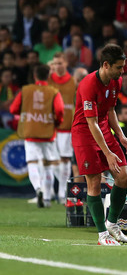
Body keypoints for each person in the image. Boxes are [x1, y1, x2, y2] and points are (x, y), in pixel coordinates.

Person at [71, 43, 127, 246]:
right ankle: (102, 235)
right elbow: (91, 122)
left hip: (103, 129)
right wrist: (107, 152)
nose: (122, 71)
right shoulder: (88, 84)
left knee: (123, 177)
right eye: (118, 67)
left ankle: (112, 225)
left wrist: (121, 137)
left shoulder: (116, 81)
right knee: (94, 182)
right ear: (106, 65)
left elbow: (110, 111)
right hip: (84, 133)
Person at [10, 64, 64, 208]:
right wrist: (57, 122)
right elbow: (59, 111)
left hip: (30, 132)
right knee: (48, 167)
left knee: (32, 163)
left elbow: (13, 109)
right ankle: (46, 199)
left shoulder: (25, 90)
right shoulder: (54, 92)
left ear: (35, 76)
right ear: (48, 76)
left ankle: (37, 188)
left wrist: (28, 113)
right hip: (47, 134)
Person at [48, 52, 77, 204]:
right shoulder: (48, 80)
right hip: (50, 126)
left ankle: (62, 193)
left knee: (65, 159)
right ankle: (53, 191)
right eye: (55, 63)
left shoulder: (73, 81)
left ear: (65, 64)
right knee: (51, 160)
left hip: (66, 126)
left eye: (60, 63)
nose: (57, 66)